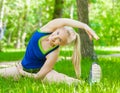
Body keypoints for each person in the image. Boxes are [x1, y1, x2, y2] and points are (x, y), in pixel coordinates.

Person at [0, 18, 99, 84]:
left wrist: (23, 73)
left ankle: (88, 82)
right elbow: (65, 21)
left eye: (59, 40)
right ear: (56, 28)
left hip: (39, 73)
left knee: (60, 78)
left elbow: (38, 77)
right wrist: (85, 26)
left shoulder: (54, 53)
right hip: (21, 68)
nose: (54, 37)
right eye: (57, 33)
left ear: (61, 44)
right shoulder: (46, 29)